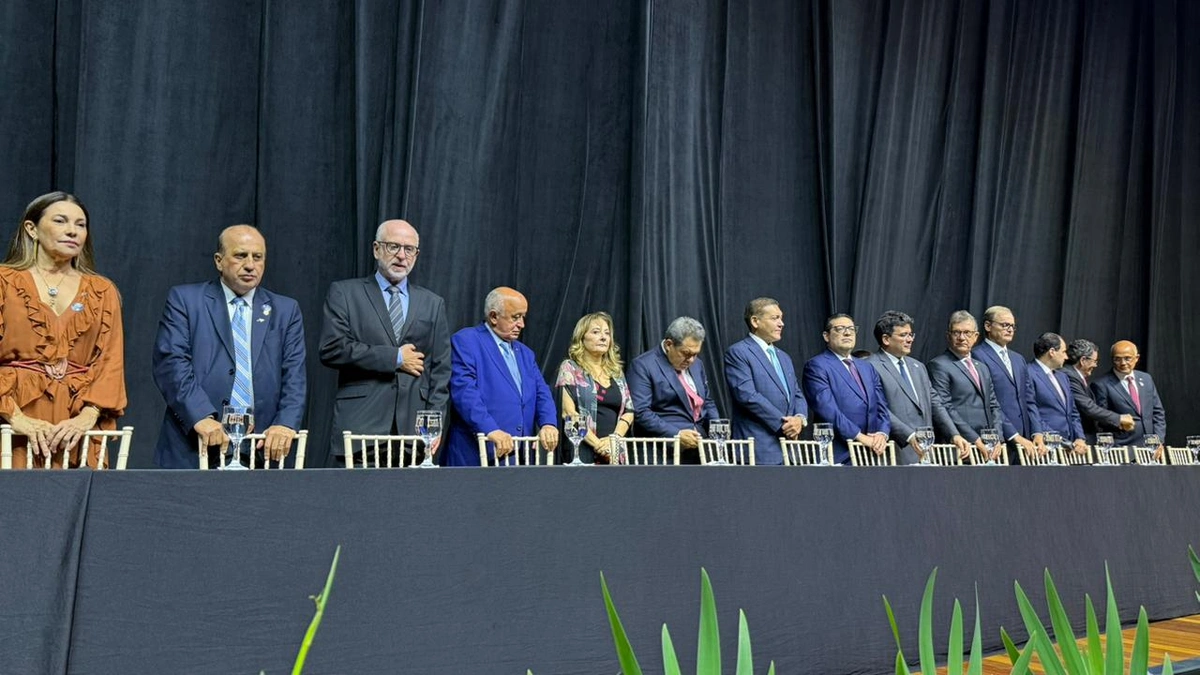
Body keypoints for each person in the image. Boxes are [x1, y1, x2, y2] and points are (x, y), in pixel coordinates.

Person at [152, 225, 307, 468]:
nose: (250, 265)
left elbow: (294, 375)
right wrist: (200, 416)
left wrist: (285, 424)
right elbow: (171, 363)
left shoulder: (286, 311)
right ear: (219, 260)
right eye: (240, 255)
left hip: (262, 448)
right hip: (195, 444)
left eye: (257, 257)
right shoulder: (185, 300)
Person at [0, 192, 126, 468]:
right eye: (61, 221)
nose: (73, 231)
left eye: (81, 225)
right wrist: (17, 419)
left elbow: (110, 363)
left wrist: (87, 417)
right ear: (31, 229)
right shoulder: (4, 282)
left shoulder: (102, 291)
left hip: (75, 428)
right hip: (11, 424)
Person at [319, 219, 450, 465]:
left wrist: (434, 422)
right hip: (361, 429)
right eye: (393, 247)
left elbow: (440, 370)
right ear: (376, 249)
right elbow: (332, 349)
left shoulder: (433, 303)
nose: (402, 255)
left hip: (413, 434)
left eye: (409, 249)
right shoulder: (345, 293)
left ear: (416, 254)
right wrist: (395, 358)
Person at [444, 287, 558, 466]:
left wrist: (548, 423)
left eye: (523, 317)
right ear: (493, 316)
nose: (522, 324)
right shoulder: (467, 341)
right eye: (515, 317)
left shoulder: (526, 354)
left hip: (518, 457)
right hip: (476, 454)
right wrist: (490, 429)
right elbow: (465, 393)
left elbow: (542, 391)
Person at [866, 311, 969, 464]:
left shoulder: (918, 366)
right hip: (895, 452)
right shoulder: (869, 366)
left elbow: (935, 403)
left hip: (926, 452)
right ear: (886, 339)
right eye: (903, 335)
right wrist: (909, 436)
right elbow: (878, 409)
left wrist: (954, 434)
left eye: (910, 335)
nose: (909, 340)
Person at [723, 298, 807, 465]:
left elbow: (796, 394)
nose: (781, 323)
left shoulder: (784, 357)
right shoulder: (738, 352)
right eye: (775, 318)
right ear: (755, 321)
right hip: (758, 448)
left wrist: (799, 418)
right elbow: (747, 395)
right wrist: (785, 425)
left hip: (790, 450)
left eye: (781, 318)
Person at [627, 316, 720, 465]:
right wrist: (676, 435)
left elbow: (706, 402)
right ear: (669, 344)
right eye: (686, 353)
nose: (691, 360)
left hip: (700, 448)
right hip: (662, 451)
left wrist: (717, 429)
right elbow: (641, 412)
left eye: (695, 354)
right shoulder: (643, 365)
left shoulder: (698, 365)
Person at [801, 313, 889, 465]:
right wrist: (860, 437)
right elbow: (828, 410)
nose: (847, 333)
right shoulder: (817, 366)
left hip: (872, 452)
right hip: (837, 452)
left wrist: (882, 433)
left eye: (851, 329)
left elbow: (882, 406)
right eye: (840, 329)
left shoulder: (867, 367)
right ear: (826, 336)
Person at [553, 312, 633, 464]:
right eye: (596, 332)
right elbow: (568, 413)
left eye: (607, 333)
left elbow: (629, 411)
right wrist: (598, 445)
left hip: (614, 452)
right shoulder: (570, 368)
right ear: (582, 338)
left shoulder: (616, 372)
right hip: (582, 450)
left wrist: (613, 441)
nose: (603, 337)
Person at [927, 311, 1005, 462]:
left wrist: (997, 438)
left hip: (988, 447)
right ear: (948, 336)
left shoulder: (982, 367)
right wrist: (975, 439)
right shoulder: (938, 365)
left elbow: (994, 405)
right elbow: (945, 407)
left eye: (967, 333)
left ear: (975, 336)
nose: (962, 338)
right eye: (957, 332)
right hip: (960, 448)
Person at [971, 306, 1043, 461]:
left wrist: (1037, 431)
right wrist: (1014, 436)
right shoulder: (977, 356)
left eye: (1012, 326)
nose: (1010, 329)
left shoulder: (1018, 359)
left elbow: (1029, 399)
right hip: (999, 441)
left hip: (1026, 442)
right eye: (1004, 325)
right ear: (988, 326)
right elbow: (988, 402)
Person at [1091, 340, 1167, 454]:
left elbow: (1157, 412)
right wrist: (1120, 422)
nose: (1122, 363)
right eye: (1117, 359)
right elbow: (1100, 418)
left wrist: (1159, 440)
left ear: (1136, 358)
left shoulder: (1146, 379)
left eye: (1127, 358)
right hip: (1122, 448)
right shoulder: (1101, 384)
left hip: (1151, 448)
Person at [1026, 332, 1088, 456]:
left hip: (1070, 448)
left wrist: (1080, 438)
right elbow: (1030, 410)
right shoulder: (1028, 372)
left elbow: (1073, 412)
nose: (1066, 357)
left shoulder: (1063, 377)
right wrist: (1058, 439)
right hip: (1045, 446)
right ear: (1052, 352)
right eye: (1064, 352)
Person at [1062, 339, 1133, 443]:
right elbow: (1088, 407)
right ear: (1083, 360)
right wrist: (1119, 418)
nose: (1096, 365)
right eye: (1094, 361)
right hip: (1075, 437)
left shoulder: (1074, 375)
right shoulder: (1069, 376)